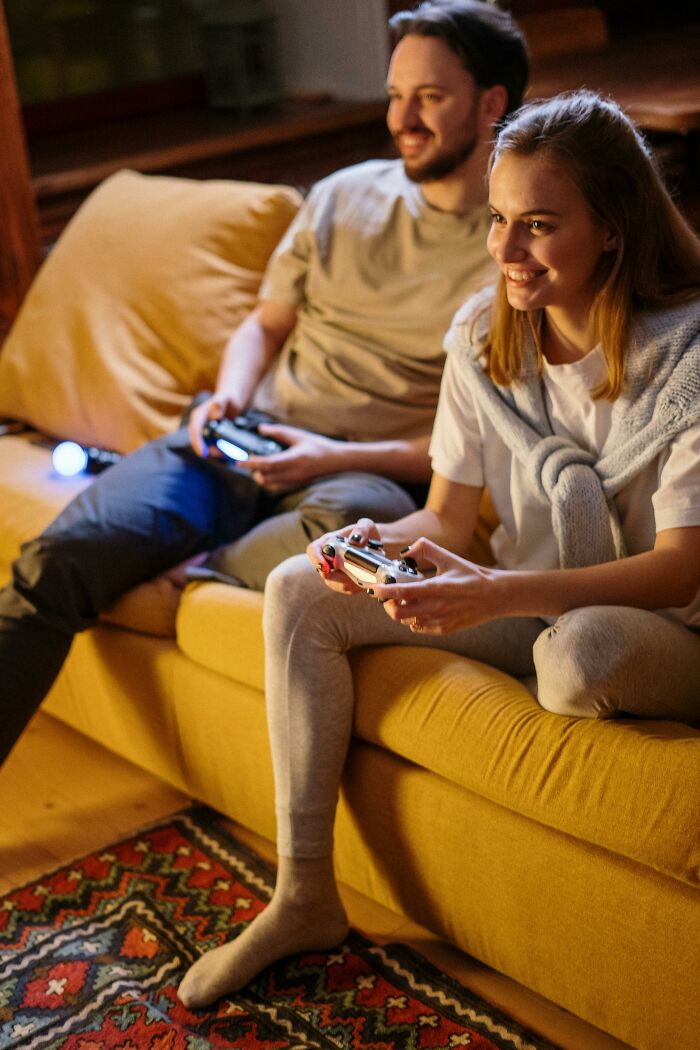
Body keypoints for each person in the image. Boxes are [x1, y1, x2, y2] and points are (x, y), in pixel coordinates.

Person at [176, 89, 700, 1009]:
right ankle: (303, 896)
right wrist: (379, 541)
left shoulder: (688, 360)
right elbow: (449, 522)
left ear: (613, 228)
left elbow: (681, 566)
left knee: (578, 658)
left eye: (538, 225)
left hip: (665, 626)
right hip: (524, 605)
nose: (505, 251)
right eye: (499, 220)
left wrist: (495, 591)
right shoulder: (484, 337)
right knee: (301, 587)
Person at [0, 1, 529, 767]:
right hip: (243, 441)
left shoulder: (513, 248)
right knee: (54, 563)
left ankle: (207, 563)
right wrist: (231, 395)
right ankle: (194, 542)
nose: (402, 119)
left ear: (491, 103)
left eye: (429, 98)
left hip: (358, 472)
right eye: (393, 95)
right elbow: (263, 324)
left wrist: (324, 456)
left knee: (349, 529)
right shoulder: (344, 195)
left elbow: (481, 447)